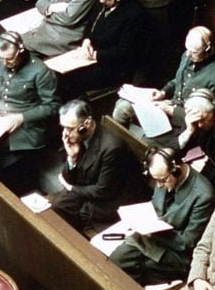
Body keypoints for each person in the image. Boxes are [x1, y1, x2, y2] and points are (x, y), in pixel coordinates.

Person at [109, 147, 215, 285]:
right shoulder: (162, 177)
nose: (159, 186)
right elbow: (156, 205)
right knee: (116, 259)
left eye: (163, 180)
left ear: (177, 170)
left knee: (130, 271)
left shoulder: (204, 196)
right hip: (151, 237)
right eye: (156, 180)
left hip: (175, 252)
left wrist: (154, 233)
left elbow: (187, 242)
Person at [0, 30, 59, 189]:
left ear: (21, 50)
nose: (5, 63)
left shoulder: (40, 71)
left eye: (10, 59)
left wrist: (21, 117)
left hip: (25, 127)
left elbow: (52, 106)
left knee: (11, 169)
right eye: (2, 58)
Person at [112, 25, 215, 138]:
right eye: (187, 49)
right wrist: (163, 92)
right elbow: (178, 80)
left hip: (184, 123)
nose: (188, 55)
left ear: (207, 50)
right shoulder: (188, 55)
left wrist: (170, 110)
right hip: (169, 105)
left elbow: (208, 117)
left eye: (194, 52)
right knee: (122, 104)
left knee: (123, 111)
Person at [49, 99, 145, 231]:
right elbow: (70, 178)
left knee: (76, 215)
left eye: (70, 128)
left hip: (115, 197)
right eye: (63, 127)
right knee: (57, 207)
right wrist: (72, 158)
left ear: (86, 124)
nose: (65, 133)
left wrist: (71, 188)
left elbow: (102, 191)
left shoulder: (112, 148)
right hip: (90, 184)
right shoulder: (77, 137)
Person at [56, 0, 148, 98]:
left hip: (113, 65)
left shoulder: (135, 15)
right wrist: (86, 41)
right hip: (90, 54)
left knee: (72, 80)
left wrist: (95, 55)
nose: (101, 1)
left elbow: (124, 51)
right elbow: (90, 24)